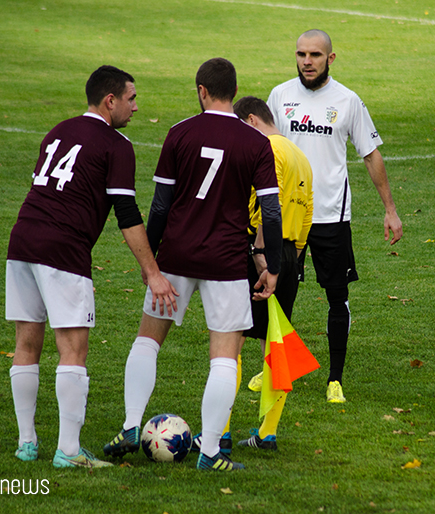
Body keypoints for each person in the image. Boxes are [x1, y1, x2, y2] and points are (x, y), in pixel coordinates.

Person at [103, 58, 283, 472]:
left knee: (148, 341)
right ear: (233, 91)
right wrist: (271, 266)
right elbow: (271, 213)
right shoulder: (256, 142)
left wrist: (151, 262)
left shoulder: (179, 132)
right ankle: (210, 452)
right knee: (224, 357)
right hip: (226, 263)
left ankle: (130, 426)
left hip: (176, 255)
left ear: (202, 90)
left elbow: (160, 205)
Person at [6, 65, 176, 469]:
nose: (136, 107)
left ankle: (26, 443)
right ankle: (68, 451)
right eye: (131, 99)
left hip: (22, 240)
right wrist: (153, 272)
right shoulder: (116, 144)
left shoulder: (58, 130)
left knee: (26, 344)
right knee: (73, 350)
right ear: (110, 101)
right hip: (63, 249)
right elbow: (127, 213)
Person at [266, 29, 403, 403]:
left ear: (331, 58)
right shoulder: (279, 96)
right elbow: (264, 150)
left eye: (314, 55)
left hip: (330, 215)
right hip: (289, 215)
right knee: (279, 294)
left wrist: (390, 210)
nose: (306, 61)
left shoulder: (348, 101)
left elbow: (370, 155)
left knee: (337, 295)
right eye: (301, 54)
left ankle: (335, 379)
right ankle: (276, 368)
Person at [226, 95, 313, 451]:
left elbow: (269, 201)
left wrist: (261, 252)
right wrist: (291, 259)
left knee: (230, 339)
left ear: (251, 120)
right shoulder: (300, 155)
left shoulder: (269, 149)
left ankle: (221, 431)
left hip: (260, 252)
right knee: (274, 342)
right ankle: (267, 433)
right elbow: (307, 213)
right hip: (290, 255)